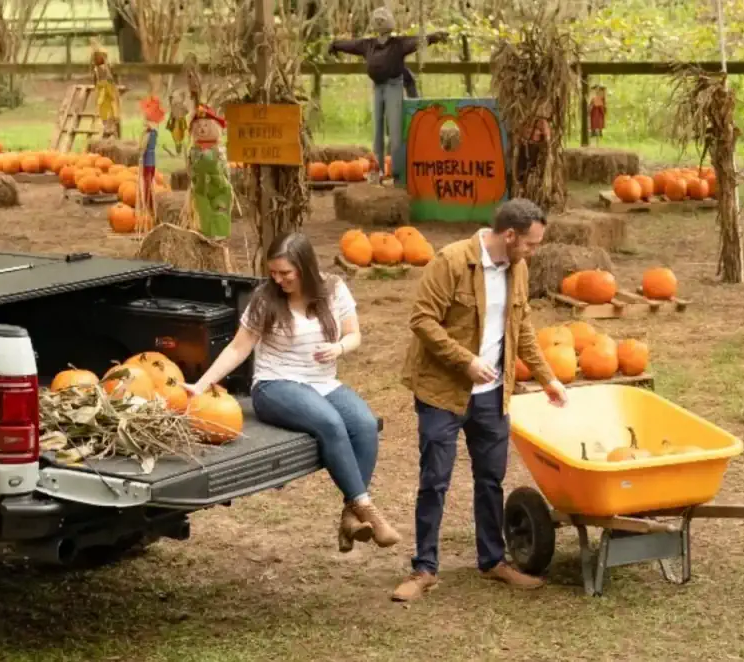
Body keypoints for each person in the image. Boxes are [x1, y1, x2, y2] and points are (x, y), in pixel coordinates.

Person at [392, 198, 568, 602]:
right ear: (510, 235)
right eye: (531, 244)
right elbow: (421, 320)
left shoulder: (517, 268)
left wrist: (548, 378)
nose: (534, 252)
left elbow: (521, 326)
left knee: (491, 479)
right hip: (443, 391)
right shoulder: (451, 261)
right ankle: (424, 568)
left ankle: (492, 561)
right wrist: (466, 361)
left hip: (491, 395)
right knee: (434, 480)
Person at [187, 232, 396, 554]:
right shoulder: (265, 298)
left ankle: (350, 516)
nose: (278, 279)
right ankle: (366, 509)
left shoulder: (334, 289)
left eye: (286, 273)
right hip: (275, 385)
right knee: (329, 423)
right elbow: (239, 347)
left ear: (305, 267)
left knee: (365, 424)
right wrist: (201, 385)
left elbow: (355, 335)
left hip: (323, 382)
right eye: (273, 272)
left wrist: (338, 348)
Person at [329, 8, 447, 184]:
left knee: (395, 131)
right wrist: (336, 44)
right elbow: (352, 45)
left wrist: (434, 37)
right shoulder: (368, 44)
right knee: (377, 131)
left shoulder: (398, 44)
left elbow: (417, 41)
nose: (380, 21)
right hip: (377, 88)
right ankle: (377, 172)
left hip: (393, 86)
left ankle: (398, 174)